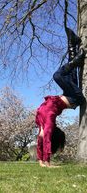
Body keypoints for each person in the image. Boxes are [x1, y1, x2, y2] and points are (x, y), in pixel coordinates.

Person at [35, 28, 85, 167]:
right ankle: (76, 60)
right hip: (75, 98)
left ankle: (73, 43)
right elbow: (47, 139)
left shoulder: (42, 124)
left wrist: (41, 161)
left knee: (71, 71)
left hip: (68, 94)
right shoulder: (49, 119)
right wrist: (47, 162)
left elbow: (41, 140)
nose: (42, 135)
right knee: (58, 76)